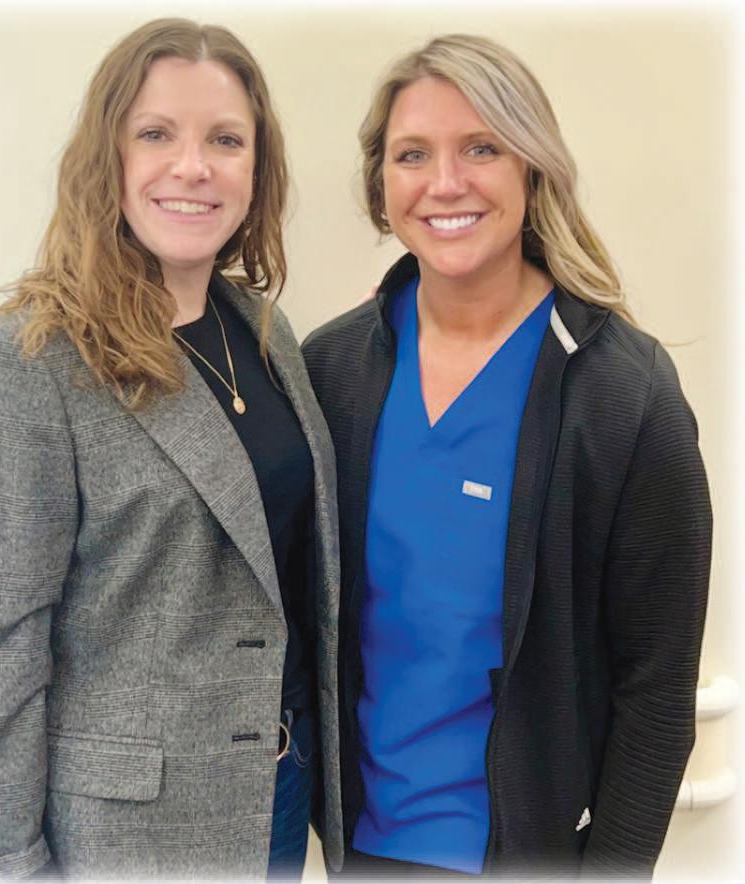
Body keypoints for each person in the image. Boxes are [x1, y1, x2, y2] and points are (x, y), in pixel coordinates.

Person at [0, 18, 343, 880]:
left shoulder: (264, 331)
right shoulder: (27, 364)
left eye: (225, 140)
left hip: (275, 790)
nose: (193, 166)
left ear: (256, 170)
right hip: (124, 837)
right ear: (105, 156)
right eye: (156, 134)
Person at [303, 34, 711, 879]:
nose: (445, 182)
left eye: (482, 148)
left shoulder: (623, 394)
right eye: (413, 154)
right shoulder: (331, 372)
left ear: (533, 168)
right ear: (382, 186)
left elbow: (657, 686)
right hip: (359, 851)